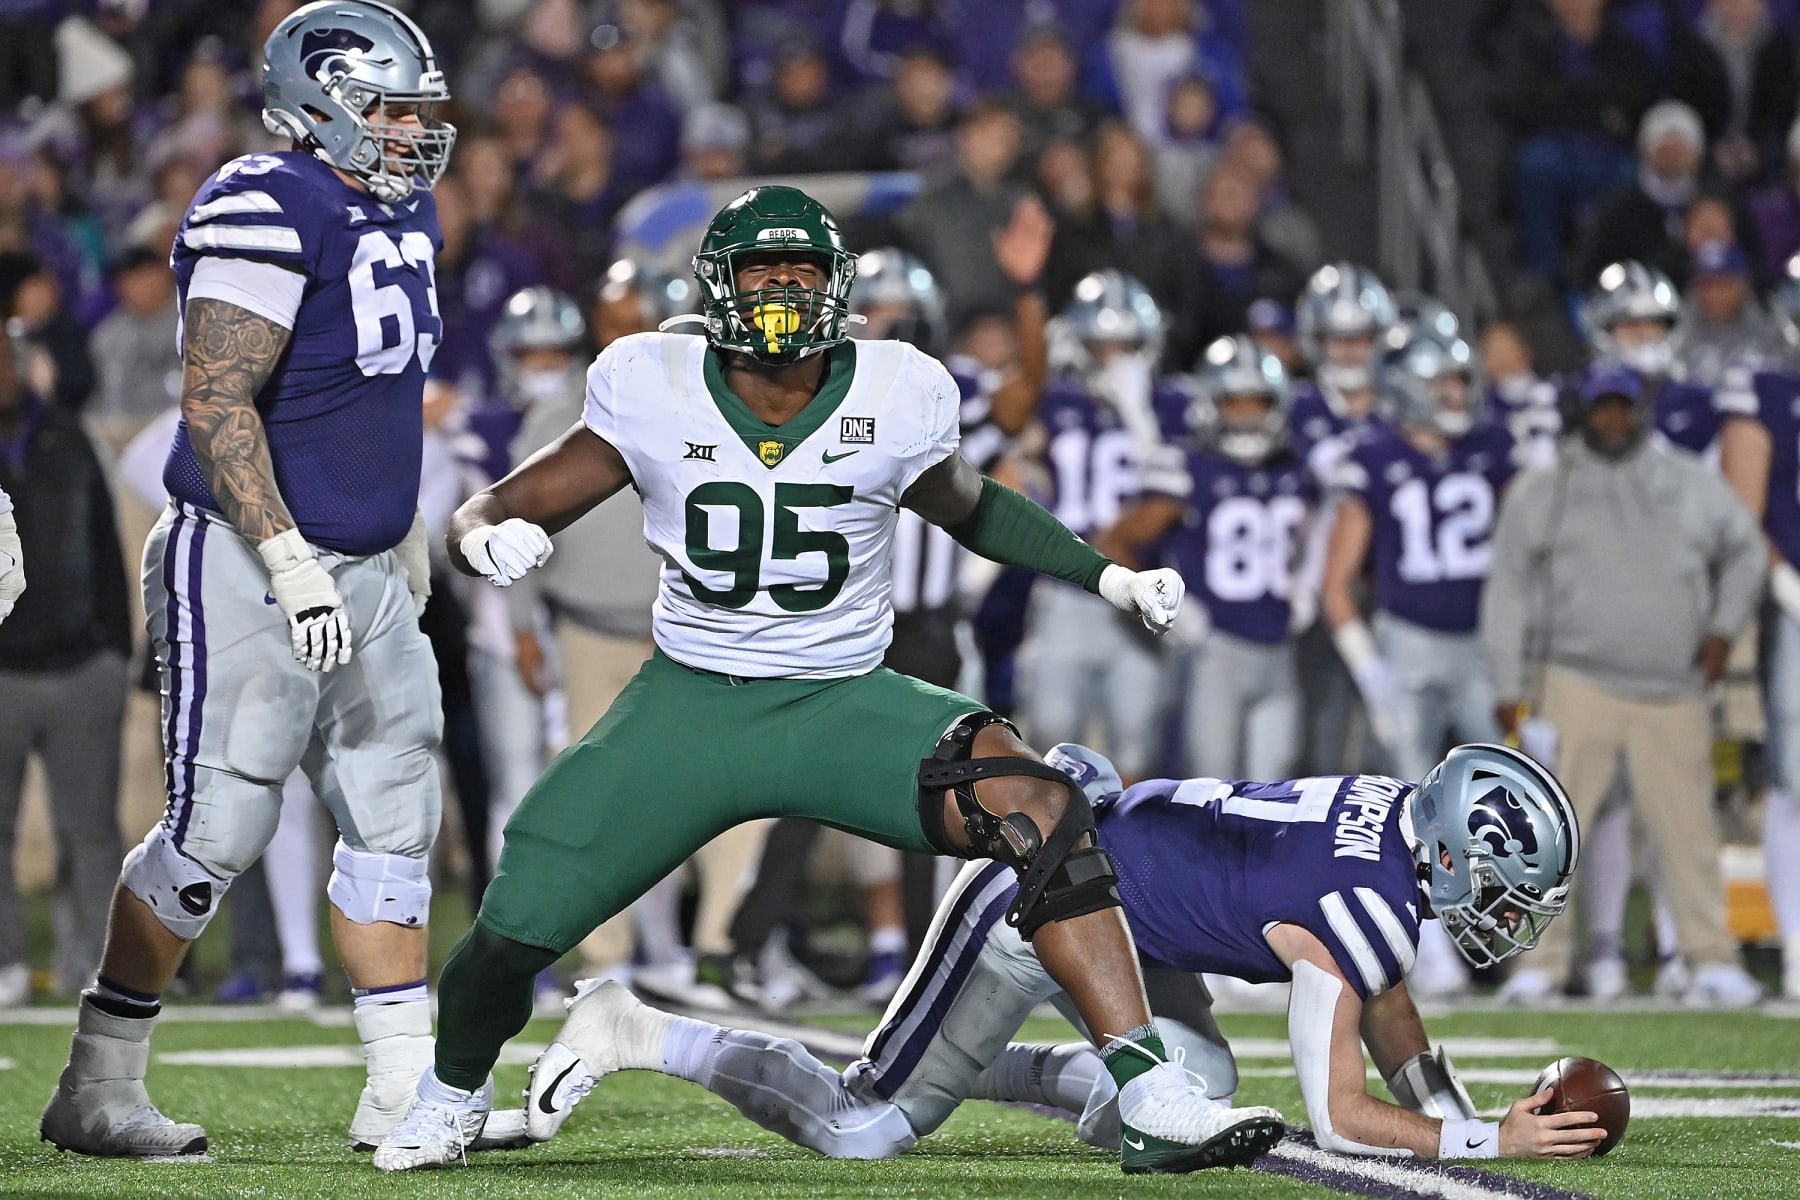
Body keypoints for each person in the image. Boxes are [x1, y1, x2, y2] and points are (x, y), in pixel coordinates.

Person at [375, 184, 1286, 1176]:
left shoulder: (894, 389)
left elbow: (971, 508)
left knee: (1043, 804)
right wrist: (483, 541)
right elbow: (497, 505)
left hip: (845, 700)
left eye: (799, 271)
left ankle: (1149, 1089)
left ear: (837, 286)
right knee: (516, 924)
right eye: (760, 271)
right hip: (691, 704)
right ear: (716, 288)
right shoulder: (649, 380)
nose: (779, 290)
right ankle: (449, 1094)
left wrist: (1104, 573)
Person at [38, 0, 488, 1157]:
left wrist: (396, 530)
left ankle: (401, 1085)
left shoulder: (403, 204)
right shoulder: (264, 195)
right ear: (319, 99)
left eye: (418, 106)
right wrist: (289, 558)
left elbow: (369, 398)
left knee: (398, 807)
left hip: (368, 558)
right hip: (246, 553)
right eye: (386, 106)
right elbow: (215, 397)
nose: (412, 130)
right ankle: (99, 1079)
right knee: (221, 816)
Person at [524, 741, 1603, 1164]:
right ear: (1461, 855)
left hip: (1122, 898)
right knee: (866, 1126)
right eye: (1512, 889)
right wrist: (1483, 1143)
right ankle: (636, 1028)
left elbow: (1387, 1001)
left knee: (1204, 1082)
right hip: (1044, 895)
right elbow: (1343, 1118)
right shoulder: (1367, 902)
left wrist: (1462, 1104)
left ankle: (962, 1054)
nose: (1514, 914)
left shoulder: (1385, 815)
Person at [1481, 361, 1768, 1008]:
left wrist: (1723, 630)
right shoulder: (1545, 487)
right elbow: (1509, 586)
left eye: (1623, 406)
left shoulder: (1686, 480)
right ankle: (1538, 965)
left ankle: (1711, 957)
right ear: (1583, 409)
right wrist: (1506, 679)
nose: (1613, 418)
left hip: (1673, 684)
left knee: (1689, 829)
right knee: (1545, 833)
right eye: (1602, 406)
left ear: (1641, 409)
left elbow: (1747, 549)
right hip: (1574, 679)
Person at [1100, 334, 1315, 783]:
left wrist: (1306, 582)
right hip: (1216, 649)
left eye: (1258, 403)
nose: (1249, 415)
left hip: (1282, 651)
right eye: (1236, 403)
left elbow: (1317, 534)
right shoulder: (1190, 466)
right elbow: (1115, 543)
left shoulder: (1293, 469)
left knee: (1277, 787)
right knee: (1209, 788)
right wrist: (1165, 603)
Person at [0, 319, 130, 1005]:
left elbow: (108, 546)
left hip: (82, 668)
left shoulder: (70, 438)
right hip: (2, 672)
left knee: (91, 832)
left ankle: (99, 967)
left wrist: (118, 649)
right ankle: (7, 966)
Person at [1020, 270, 1183, 782]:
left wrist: (1137, 413)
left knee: (1135, 748)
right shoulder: (1056, 401)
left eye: (1125, 345)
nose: (1113, 357)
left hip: (1134, 586)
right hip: (1064, 586)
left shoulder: (1169, 404)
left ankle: (1126, 863)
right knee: (1048, 734)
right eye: (1100, 343)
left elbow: (1171, 493)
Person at [1715, 267, 1800, 1000]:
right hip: (1794, 602)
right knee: (1794, 777)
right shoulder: (1766, 389)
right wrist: (1786, 583)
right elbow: (1744, 507)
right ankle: (1798, 944)